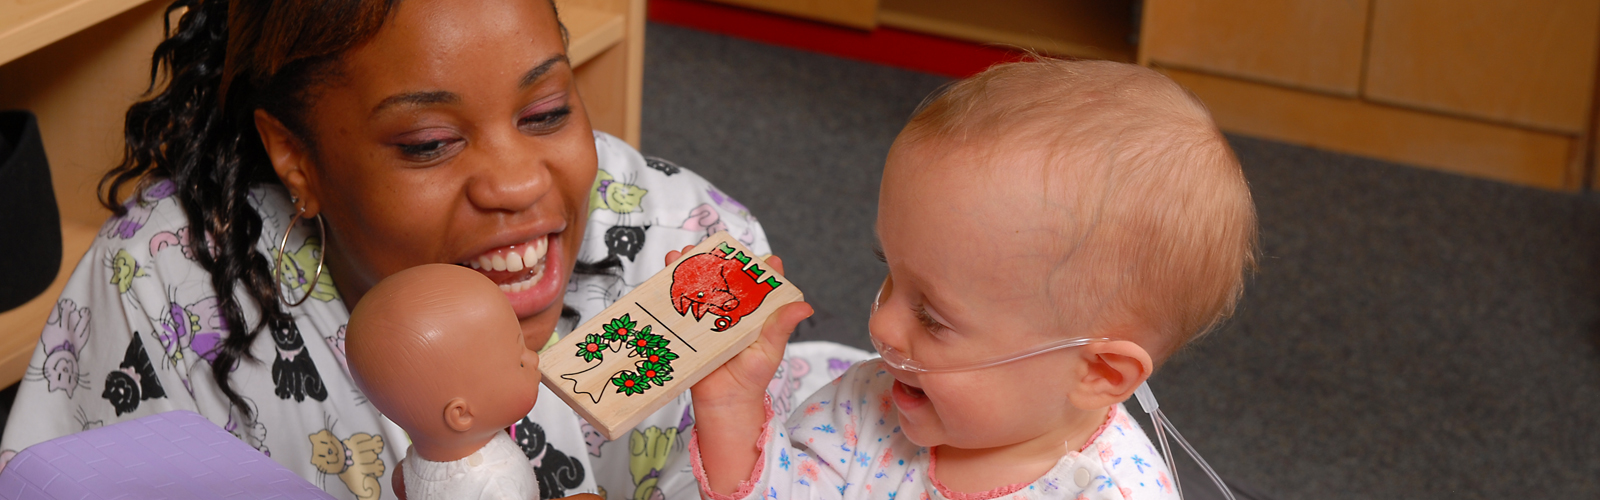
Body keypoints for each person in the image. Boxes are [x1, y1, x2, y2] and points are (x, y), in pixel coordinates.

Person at [0, 0, 868, 499]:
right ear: (296, 158)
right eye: (428, 143)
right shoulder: (170, 285)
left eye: (547, 113)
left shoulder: (680, 251)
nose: (517, 183)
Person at [685, 58, 1259, 499]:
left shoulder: (1108, 489)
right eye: (890, 275)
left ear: (1098, 370)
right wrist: (731, 409)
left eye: (933, 317)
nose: (881, 325)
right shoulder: (867, 406)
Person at [346, 264, 543, 500]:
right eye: (519, 362)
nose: (534, 358)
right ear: (461, 415)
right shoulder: (494, 487)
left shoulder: (412, 467)